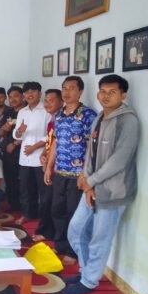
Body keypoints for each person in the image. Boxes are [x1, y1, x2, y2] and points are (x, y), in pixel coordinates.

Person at [51, 74, 139, 294]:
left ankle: (89, 282)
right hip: (92, 188)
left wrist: (90, 181)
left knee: (100, 238)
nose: (106, 96)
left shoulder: (128, 121)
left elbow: (120, 160)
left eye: (112, 92)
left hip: (114, 192)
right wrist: (88, 182)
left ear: (123, 95)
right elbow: (90, 153)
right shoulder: (100, 117)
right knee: (76, 230)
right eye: (103, 92)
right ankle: (85, 271)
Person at [44, 76, 97, 265]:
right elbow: (56, 142)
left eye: (71, 88)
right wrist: (49, 167)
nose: (67, 92)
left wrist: (85, 173)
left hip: (78, 175)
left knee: (73, 213)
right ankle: (60, 245)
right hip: (60, 172)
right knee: (57, 210)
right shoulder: (58, 115)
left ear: (80, 91)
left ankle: (73, 252)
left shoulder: (88, 115)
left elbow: (92, 146)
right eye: (64, 88)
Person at [13, 82, 51, 225]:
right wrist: (19, 131)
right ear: (24, 95)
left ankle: (44, 218)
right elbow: (17, 135)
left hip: (41, 157)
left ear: (39, 93)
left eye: (33, 91)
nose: (30, 95)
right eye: (27, 92)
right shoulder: (22, 112)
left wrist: (34, 147)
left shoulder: (46, 110)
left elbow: (50, 135)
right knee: (25, 188)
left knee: (43, 190)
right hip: (25, 157)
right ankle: (27, 214)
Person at [33, 89, 63, 242]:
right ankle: (46, 231)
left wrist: (50, 163)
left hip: (59, 167)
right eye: (46, 100)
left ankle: (50, 232)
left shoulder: (62, 119)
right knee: (47, 199)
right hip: (50, 164)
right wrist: (44, 154)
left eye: (52, 100)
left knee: (52, 202)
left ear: (61, 102)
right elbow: (51, 142)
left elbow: (58, 145)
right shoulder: (53, 119)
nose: (47, 104)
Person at [1, 86, 26, 211]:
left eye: (16, 96)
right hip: (9, 152)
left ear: (22, 96)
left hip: (24, 151)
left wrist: (15, 144)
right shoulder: (8, 113)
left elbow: (31, 133)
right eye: (10, 97)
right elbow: (1, 132)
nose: (12, 99)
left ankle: (25, 207)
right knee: (10, 180)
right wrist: (4, 128)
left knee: (24, 181)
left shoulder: (27, 112)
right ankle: (13, 205)